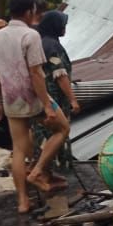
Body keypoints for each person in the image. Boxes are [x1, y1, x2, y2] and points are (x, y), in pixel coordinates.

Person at [0, 0, 70, 213]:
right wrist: (46, 104)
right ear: (28, 13)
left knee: (18, 149)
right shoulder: (30, 35)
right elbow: (36, 73)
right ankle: (37, 171)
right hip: (33, 96)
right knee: (62, 129)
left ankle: (23, 202)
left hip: (11, 98)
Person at [33, 10, 80, 183]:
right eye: (62, 24)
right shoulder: (52, 47)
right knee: (57, 131)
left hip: (44, 98)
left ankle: (47, 172)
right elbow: (60, 75)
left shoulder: (43, 43)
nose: (64, 27)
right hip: (54, 99)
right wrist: (73, 99)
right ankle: (44, 172)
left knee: (46, 134)